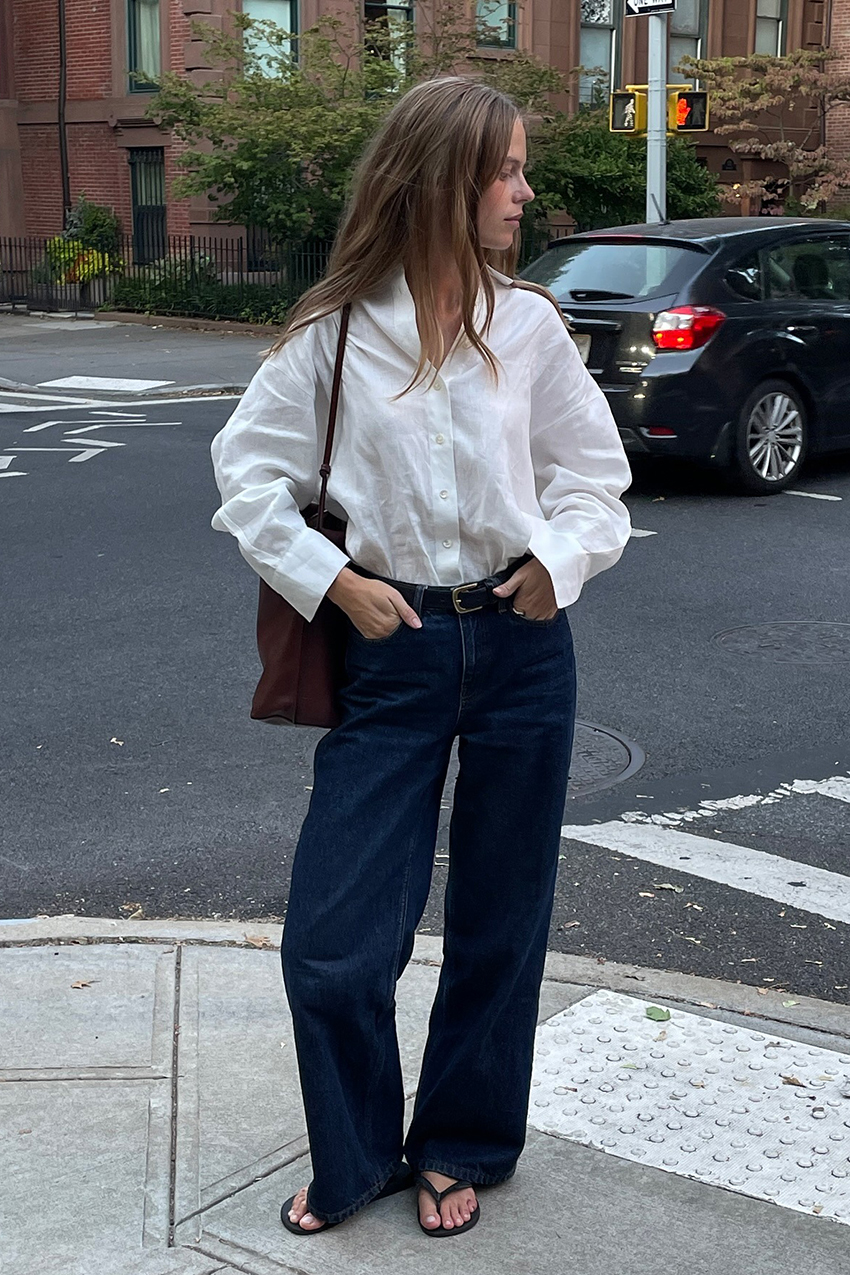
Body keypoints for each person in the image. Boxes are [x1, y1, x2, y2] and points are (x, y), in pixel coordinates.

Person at [210, 75, 632, 1240]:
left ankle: (462, 1144)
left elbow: (596, 480)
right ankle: (354, 1153)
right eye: (505, 169)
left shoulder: (528, 325)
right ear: (443, 180)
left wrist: (560, 562)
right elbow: (248, 484)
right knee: (336, 946)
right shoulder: (333, 335)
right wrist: (336, 585)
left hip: (522, 645)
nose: (523, 192)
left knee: (503, 914)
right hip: (389, 651)